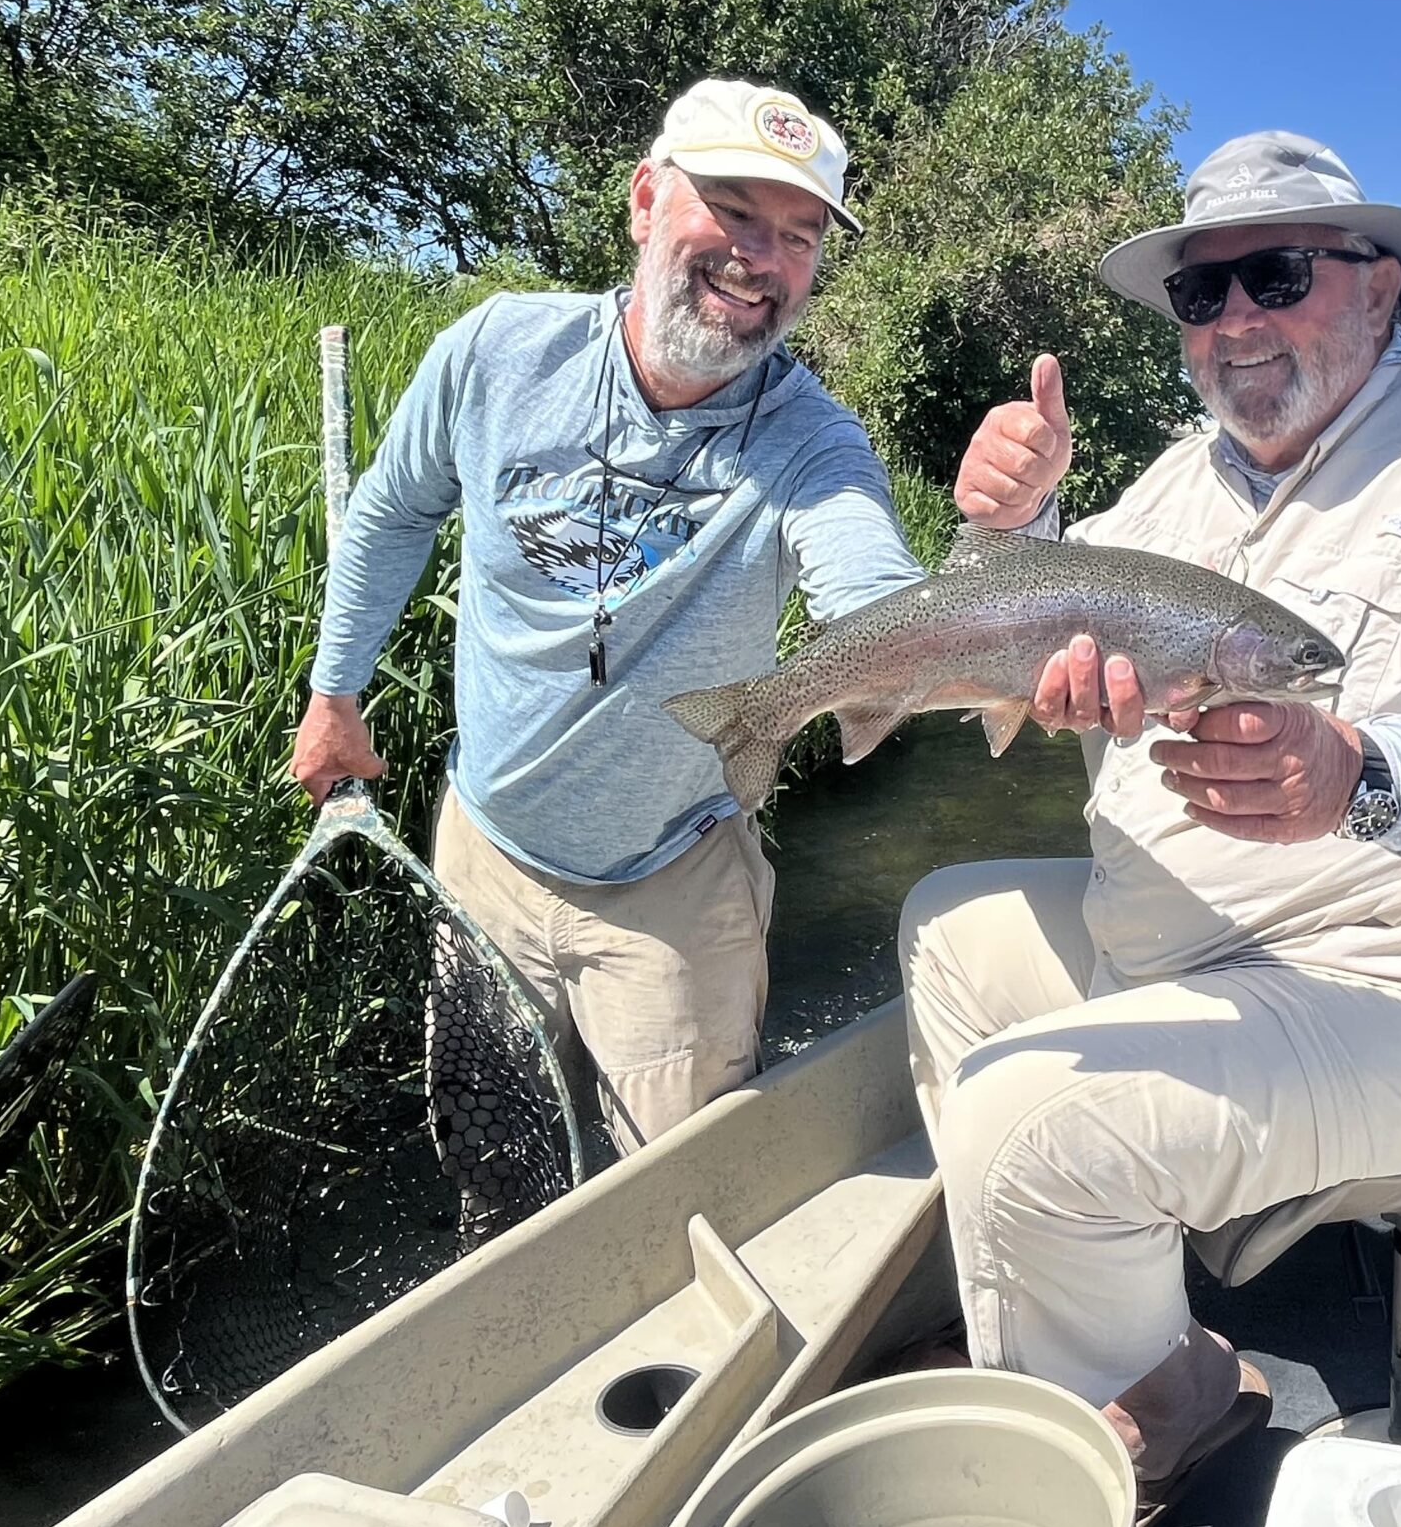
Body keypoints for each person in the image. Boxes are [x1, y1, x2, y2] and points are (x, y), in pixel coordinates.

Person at [909, 130, 1401, 1518]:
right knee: (951, 930)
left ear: (1379, 288)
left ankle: (1080, 1474)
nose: (1234, 324)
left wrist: (1370, 775)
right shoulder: (1176, 485)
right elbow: (1013, 635)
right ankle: (1160, 1370)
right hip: (1213, 947)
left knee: (1025, 1124)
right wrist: (1009, 533)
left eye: (1272, 277)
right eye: (1199, 297)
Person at [292, 79, 926, 1152]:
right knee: (491, 1158)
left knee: (678, 1199)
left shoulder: (814, 444)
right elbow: (393, 514)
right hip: (482, 852)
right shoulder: (496, 354)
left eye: (798, 236)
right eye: (730, 209)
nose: (760, 256)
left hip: (672, 887)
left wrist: (1013, 556)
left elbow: (871, 597)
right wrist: (334, 690)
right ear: (643, 201)